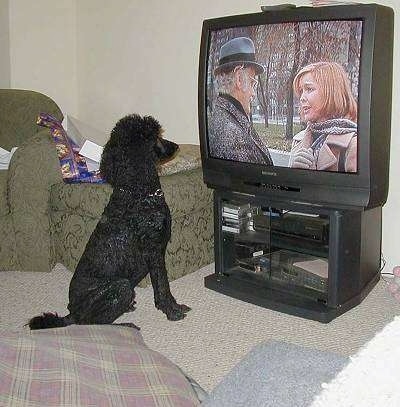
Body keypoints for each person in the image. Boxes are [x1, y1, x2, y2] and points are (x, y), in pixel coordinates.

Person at [208, 37, 273, 165]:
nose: (253, 94)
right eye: (252, 83)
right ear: (239, 78)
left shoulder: (223, 117)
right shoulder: (232, 135)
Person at [289, 61, 358, 172]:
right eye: (301, 91)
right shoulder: (299, 139)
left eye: (309, 89)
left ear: (331, 92)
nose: (302, 98)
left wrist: (313, 178)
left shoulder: (353, 145)